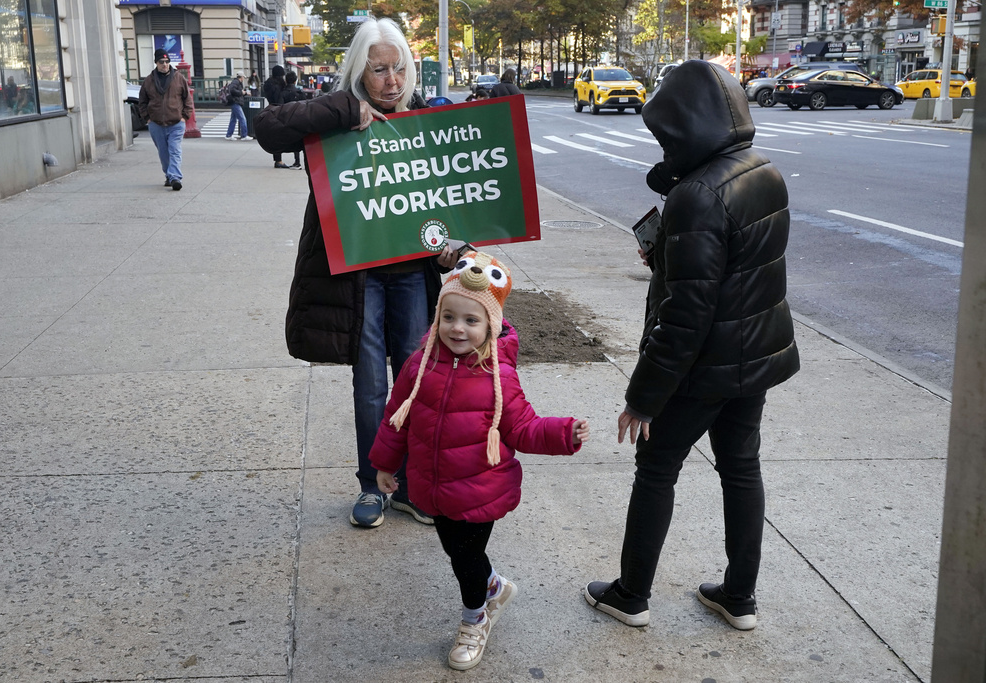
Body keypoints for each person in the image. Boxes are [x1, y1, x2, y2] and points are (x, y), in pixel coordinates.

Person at [583, 60, 800, 631]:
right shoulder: (762, 170)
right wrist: (667, 254)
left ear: (688, 123)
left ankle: (631, 594)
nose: (663, 140)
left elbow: (686, 316)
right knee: (741, 468)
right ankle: (739, 596)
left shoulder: (697, 196)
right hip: (753, 357)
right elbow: (737, 269)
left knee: (655, 468)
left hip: (702, 369)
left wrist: (644, 397)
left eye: (666, 131)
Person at [254, 17, 457, 529]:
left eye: (398, 68)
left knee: (412, 381)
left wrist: (458, 248)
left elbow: (464, 197)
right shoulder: (336, 117)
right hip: (359, 278)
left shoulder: (430, 118)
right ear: (359, 74)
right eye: (378, 70)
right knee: (370, 384)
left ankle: (409, 486)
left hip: (413, 273)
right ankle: (374, 484)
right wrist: (345, 108)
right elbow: (269, 128)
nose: (391, 80)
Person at [370, 251, 590, 671]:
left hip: (479, 487)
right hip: (431, 485)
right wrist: (384, 464)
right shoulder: (418, 365)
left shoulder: (497, 374)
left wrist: (563, 432)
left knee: (466, 561)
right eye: (449, 316)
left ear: (490, 324)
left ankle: (475, 618)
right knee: (455, 552)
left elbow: (523, 427)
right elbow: (396, 417)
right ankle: (495, 585)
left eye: (471, 320)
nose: (458, 328)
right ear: (437, 317)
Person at [138, 48, 192, 191]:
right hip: (156, 123)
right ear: (156, 63)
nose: (165, 64)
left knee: (175, 150)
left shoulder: (179, 78)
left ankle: (175, 177)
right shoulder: (149, 80)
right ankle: (168, 175)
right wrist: (147, 118)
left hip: (176, 122)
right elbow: (142, 101)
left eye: (167, 61)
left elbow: (187, 99)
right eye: (162, 62)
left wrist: (184, 116)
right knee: (163, 152)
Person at [263, 66, 290, 168]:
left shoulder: (268, 83)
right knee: (280, 135)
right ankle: (279, 161)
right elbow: (280, 98)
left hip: (271, 108)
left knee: (275, 135)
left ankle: (278, 159)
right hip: (280, 110)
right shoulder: (280, 85)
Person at [280, 72, 304, 168]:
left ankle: (280, 160)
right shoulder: (300, 93)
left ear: (286, 80)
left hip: (286, 119)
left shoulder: (283, 93)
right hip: (298, 118)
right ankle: (298, 161)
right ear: (295, 81)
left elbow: (280, 106)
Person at [225, 72, 250, 141]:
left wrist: (244, 93)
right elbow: (233, 90)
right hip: (235, 102)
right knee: (242, 119)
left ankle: (229, 135)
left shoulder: (236, 82)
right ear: (241, 77)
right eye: (243, 77)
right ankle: (244, 135)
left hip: (234, 101)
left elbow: (235, 91)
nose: (243, 79)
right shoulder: (236, 82)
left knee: (233, 119)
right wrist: (242, 92)